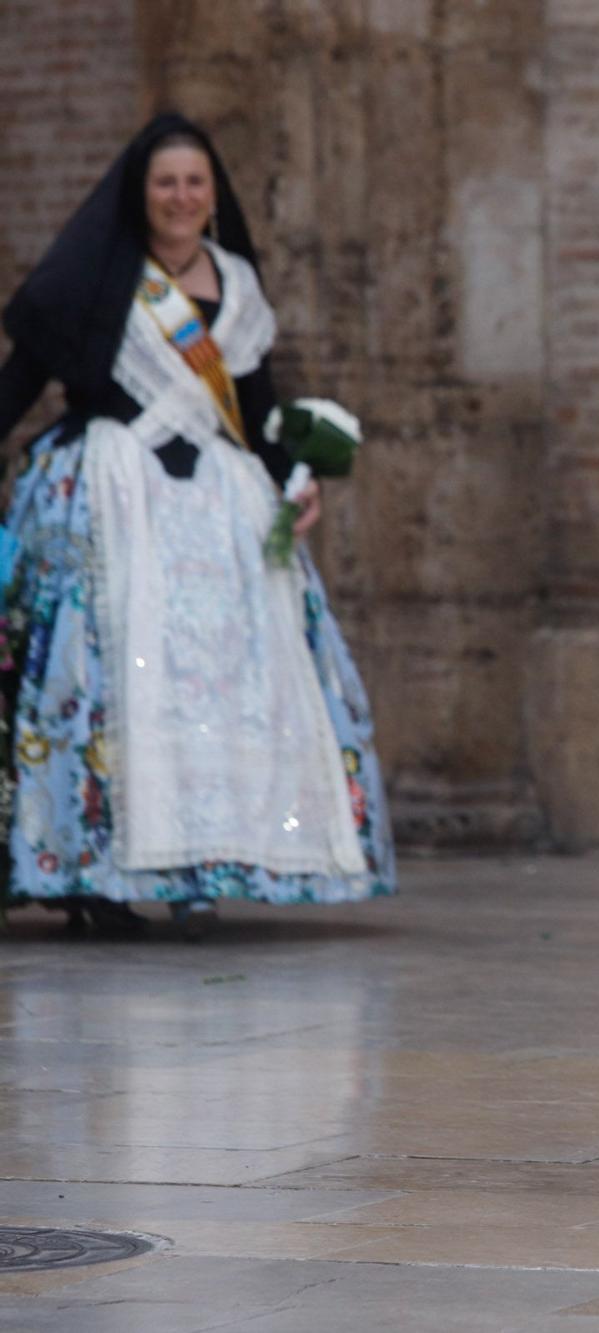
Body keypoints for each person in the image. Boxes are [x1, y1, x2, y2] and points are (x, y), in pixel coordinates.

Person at [0, 113, 394, 938]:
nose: (181, 197)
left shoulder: (237, 287)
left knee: (231, 681)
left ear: (214, 196)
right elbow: (21, 380)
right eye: (166, 182)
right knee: (104, 681)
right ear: (139, 195)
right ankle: (95, 875)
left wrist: (298, 474)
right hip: (111, 492)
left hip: (221, 513)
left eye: (195, 183)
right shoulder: (93, 277)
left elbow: (255, 411)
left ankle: (210, 860)